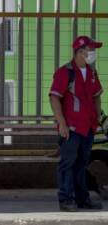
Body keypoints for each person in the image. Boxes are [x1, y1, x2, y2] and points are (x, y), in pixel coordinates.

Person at [49, 36, 104, 212]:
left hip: (87, 127)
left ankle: (82, 199)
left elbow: (97, 95)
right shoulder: (65, 72)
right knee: (67, 164)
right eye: (90, 50)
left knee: (81, 164)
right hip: (71, 127)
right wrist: (62, 123)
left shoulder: (92, 73)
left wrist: (96, 118)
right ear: (80, 52)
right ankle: (65, 199)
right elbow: (54, 97)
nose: (93, 53)